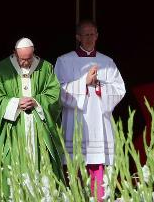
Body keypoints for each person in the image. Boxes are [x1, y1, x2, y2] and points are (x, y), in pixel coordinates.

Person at [54, 20, 125, 200]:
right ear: (78, 37)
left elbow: (119, 90)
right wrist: (83, 83)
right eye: (85, 35)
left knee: (97, 164)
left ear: (97, 36)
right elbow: (56, 91)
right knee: (75, 166)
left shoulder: (107, 62)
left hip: (99, 122)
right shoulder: (64, 61)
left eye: (92, 34)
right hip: (75, 120)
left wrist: (99, 85)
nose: (89, 38)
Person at [0, 38, 63, 176]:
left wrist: (36, 102)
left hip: (39, 130)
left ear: (34, 53)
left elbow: (54, 96)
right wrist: (15, 103)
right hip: (13, 129)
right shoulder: (2, 69)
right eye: (22, 59)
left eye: (29, 58)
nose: (26, 63)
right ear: (14, 53)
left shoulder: (46, 68)